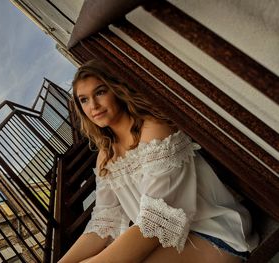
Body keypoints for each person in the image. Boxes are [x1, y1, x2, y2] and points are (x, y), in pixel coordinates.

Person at [59, 60, 258, 263]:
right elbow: (104, 222)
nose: (93, 106)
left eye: (100, 92)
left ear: (116, 89)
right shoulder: (105, 156)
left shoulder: (154, 130)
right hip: (166, 238)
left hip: (211, 232)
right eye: (83, 100)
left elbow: (159, 218)